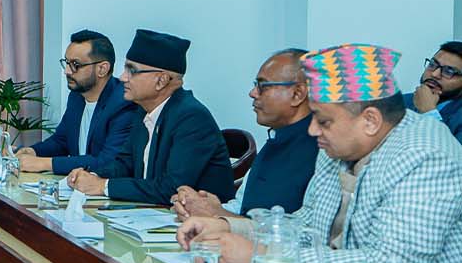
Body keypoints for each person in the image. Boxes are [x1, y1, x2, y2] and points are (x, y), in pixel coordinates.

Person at [177, 43, 462, 263]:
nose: (313, 130)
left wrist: (261, 257)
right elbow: (308, 225)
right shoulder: (338, 147)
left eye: (323, 121)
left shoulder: (426, 155)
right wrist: (229, 228)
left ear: (370, 121)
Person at [66, 29, 233, 205]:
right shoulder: (143, 110)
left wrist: (104, 186)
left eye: (131, 70)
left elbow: (172, 188)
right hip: (153, 213)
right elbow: (124, 164)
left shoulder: (192, 118)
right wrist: (91, 176)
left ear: (161, 80)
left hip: (201, 219)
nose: (122, 78)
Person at [172, 48, 318, 220]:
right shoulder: (276, 139)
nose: (252, 93)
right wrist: (201, 207)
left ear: (297, 94)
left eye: (263, 86)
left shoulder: (322, 151)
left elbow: (297, 229)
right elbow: (241, 206)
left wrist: (217, 214)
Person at [17, 29, 138, 175]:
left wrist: (44, 163)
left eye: (76, 64)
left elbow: (108, 161)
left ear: (102, 69)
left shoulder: (123, 103)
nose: (67, 71)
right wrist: (33, 151)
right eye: (67, 63)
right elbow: (61, 141)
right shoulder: (76, 97)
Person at [403, 40, 462, 144]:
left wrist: (429, 112)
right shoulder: (399, 102)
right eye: (432, 64)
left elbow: (450, 152)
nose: (434, 74)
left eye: (449, 71)